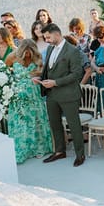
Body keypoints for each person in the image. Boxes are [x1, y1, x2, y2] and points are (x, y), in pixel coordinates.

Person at [35, 23, 86, 167]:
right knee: (54, 124)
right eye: (45, 38)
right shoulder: (50, 48)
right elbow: (49, 70)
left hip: (69, 94)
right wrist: (40, 79)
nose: (47, 40)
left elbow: (77, 74)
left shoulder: (73, 51)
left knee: (74, 125)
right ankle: (59, 151)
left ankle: (80, 154)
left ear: (57, 33)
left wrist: (56, 82)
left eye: (48, 37)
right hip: (52, 95)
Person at [4, 40, 53, 163]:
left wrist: (37, 77)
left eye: (30, 53)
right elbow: (5, 72)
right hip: (18, 95)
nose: (27, 55)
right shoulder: (12, 57)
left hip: (34, 94)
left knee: (36, 120)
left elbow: (43, 73)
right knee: (21, 122)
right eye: (25, 53)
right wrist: (14, 83)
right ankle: (23, 149)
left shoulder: (38, 57)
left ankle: (38, 148)